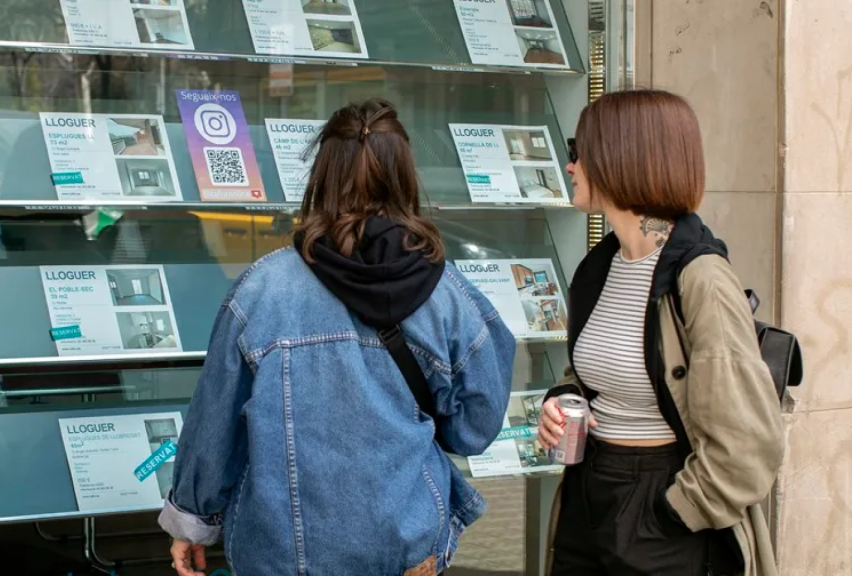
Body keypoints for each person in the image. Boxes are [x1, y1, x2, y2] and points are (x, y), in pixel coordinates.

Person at [157, 98, 516, 576]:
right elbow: (475, 429)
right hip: (408, 546)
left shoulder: (261, 291)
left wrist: (192, 522)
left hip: (282, 553)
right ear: (405, 174)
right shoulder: (448, 294)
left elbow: (215, 423)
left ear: (321, 176)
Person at [537, 88, 784, 576]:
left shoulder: (700, 278)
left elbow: (751, 442)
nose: (570, 166)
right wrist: (561, 400)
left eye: (578, 152)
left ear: (619, 159)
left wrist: (677, 511)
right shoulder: (600, 266)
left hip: (660, 501)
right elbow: (596, 372)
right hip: (588, 493)